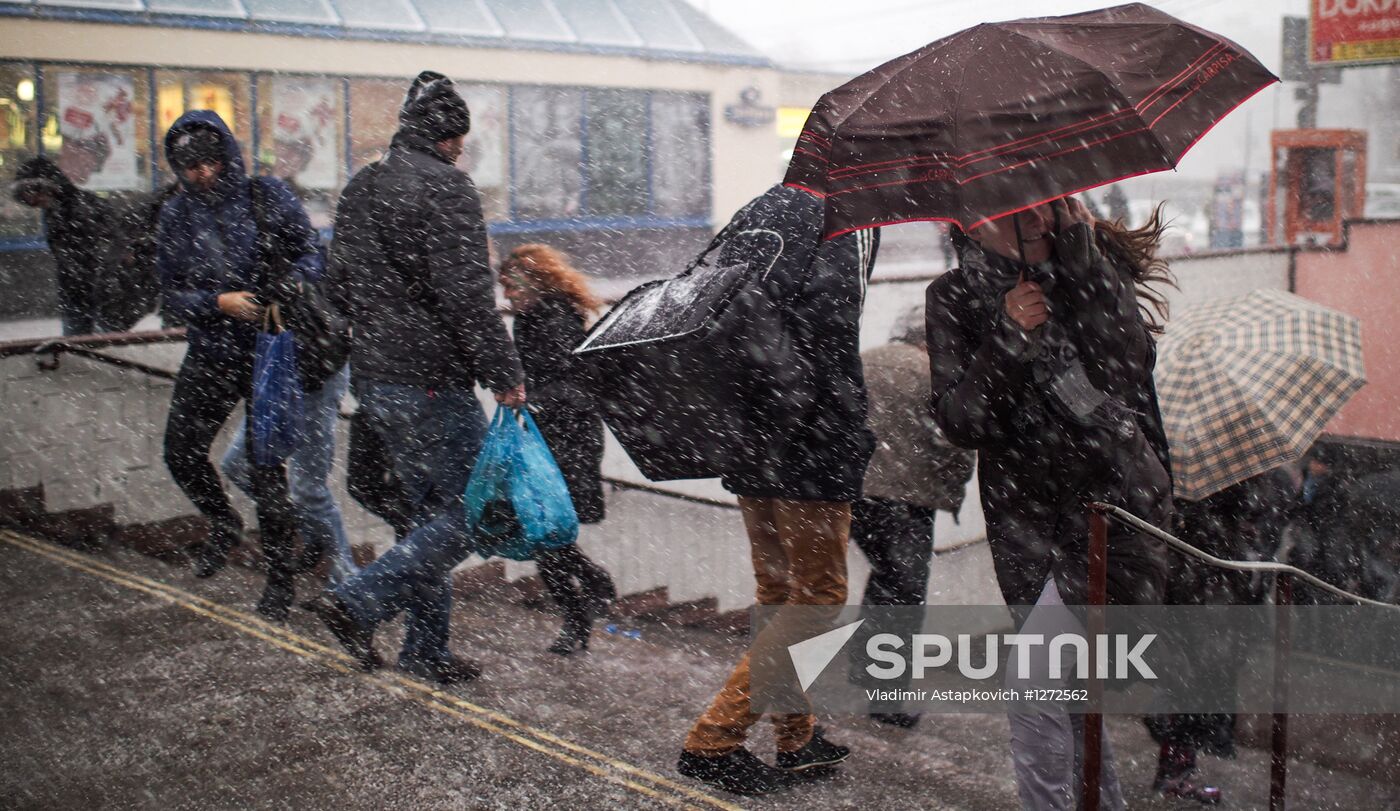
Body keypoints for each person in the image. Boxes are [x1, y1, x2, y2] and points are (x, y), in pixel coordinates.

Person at [926, 196, 1175, 811]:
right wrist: (1009, 335)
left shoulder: (1087, 271)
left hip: (1114, 510)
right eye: (1012, 202)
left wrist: (1086, 268)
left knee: (1033, 683)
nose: (1033, 211)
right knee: (1061, 689)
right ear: (973, 220)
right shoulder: (952, 297)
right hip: (1023, 518)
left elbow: (1129, 368)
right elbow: (963, 421)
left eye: (1045, 196)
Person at [311, 71, 525, 686]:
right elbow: (466, 297)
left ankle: (426, 651)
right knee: (480, 508)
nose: (461, 148)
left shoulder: (361, 187)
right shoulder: (449, 189)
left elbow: (339, 288)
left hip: (376, 377)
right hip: (431, 379)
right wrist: (504, 373)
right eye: (460, 137)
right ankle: (356, 603)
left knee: (424, 512)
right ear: (452, 136)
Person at [677, 184, 879, 796]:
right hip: (805, 440)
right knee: (818, 599)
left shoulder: (763, 211)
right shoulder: (842, 220)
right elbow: (825, 337)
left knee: (778, 590)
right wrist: (847, 426)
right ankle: (714, 739)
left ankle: (796, 736)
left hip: (751, 432)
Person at [156, 110, 322, 622]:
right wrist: (217, 302)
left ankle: (279, 579)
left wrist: (291, 283)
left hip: (269, 353)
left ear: (226, 155)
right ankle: (222, 521)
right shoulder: (176, 215)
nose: (202, 173)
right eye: (191, 167)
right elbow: (170, 298)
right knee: (181, 452)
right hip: (211, 353)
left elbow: (313, 251)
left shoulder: (265, 196)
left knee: (268, 471)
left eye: (209, 162)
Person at [850, 304, 975, 729]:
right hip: (907, 501)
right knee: (903, 597)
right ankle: (886, 699)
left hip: (854, 496)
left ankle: (870, 672)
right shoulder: (934, 376)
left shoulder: (862, 362)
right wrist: (953, 485)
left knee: (885, 583)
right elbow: (957, 443)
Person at [1143, 466, 1295, 805]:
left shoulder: (1192, 483)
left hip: (1201, 599)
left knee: (1190, 686)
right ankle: (1173, 774)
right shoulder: (1220, 494)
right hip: (1204, 601)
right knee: (1190, 687)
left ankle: (1175, 769)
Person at [499, 244, 617, 656]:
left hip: (568, 439)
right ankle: (587, 589)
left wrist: (530, 399)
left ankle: (576, 615)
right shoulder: (531, 318)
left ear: (535, 280)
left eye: (511, 286)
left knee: (543, 533)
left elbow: (577, 386)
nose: (507, 296)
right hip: (546, 437)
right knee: (542, 532)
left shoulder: (556, 318)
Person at [12, 155, 126, 335]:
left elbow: (111, 245)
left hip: (97, 292)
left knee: (95, 345)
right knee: (84, 345)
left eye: (32, 193)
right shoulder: (56, 211)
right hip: (79, 292)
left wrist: (103, 280)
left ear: (46, 187)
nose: (32, 201)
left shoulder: (79, 208)